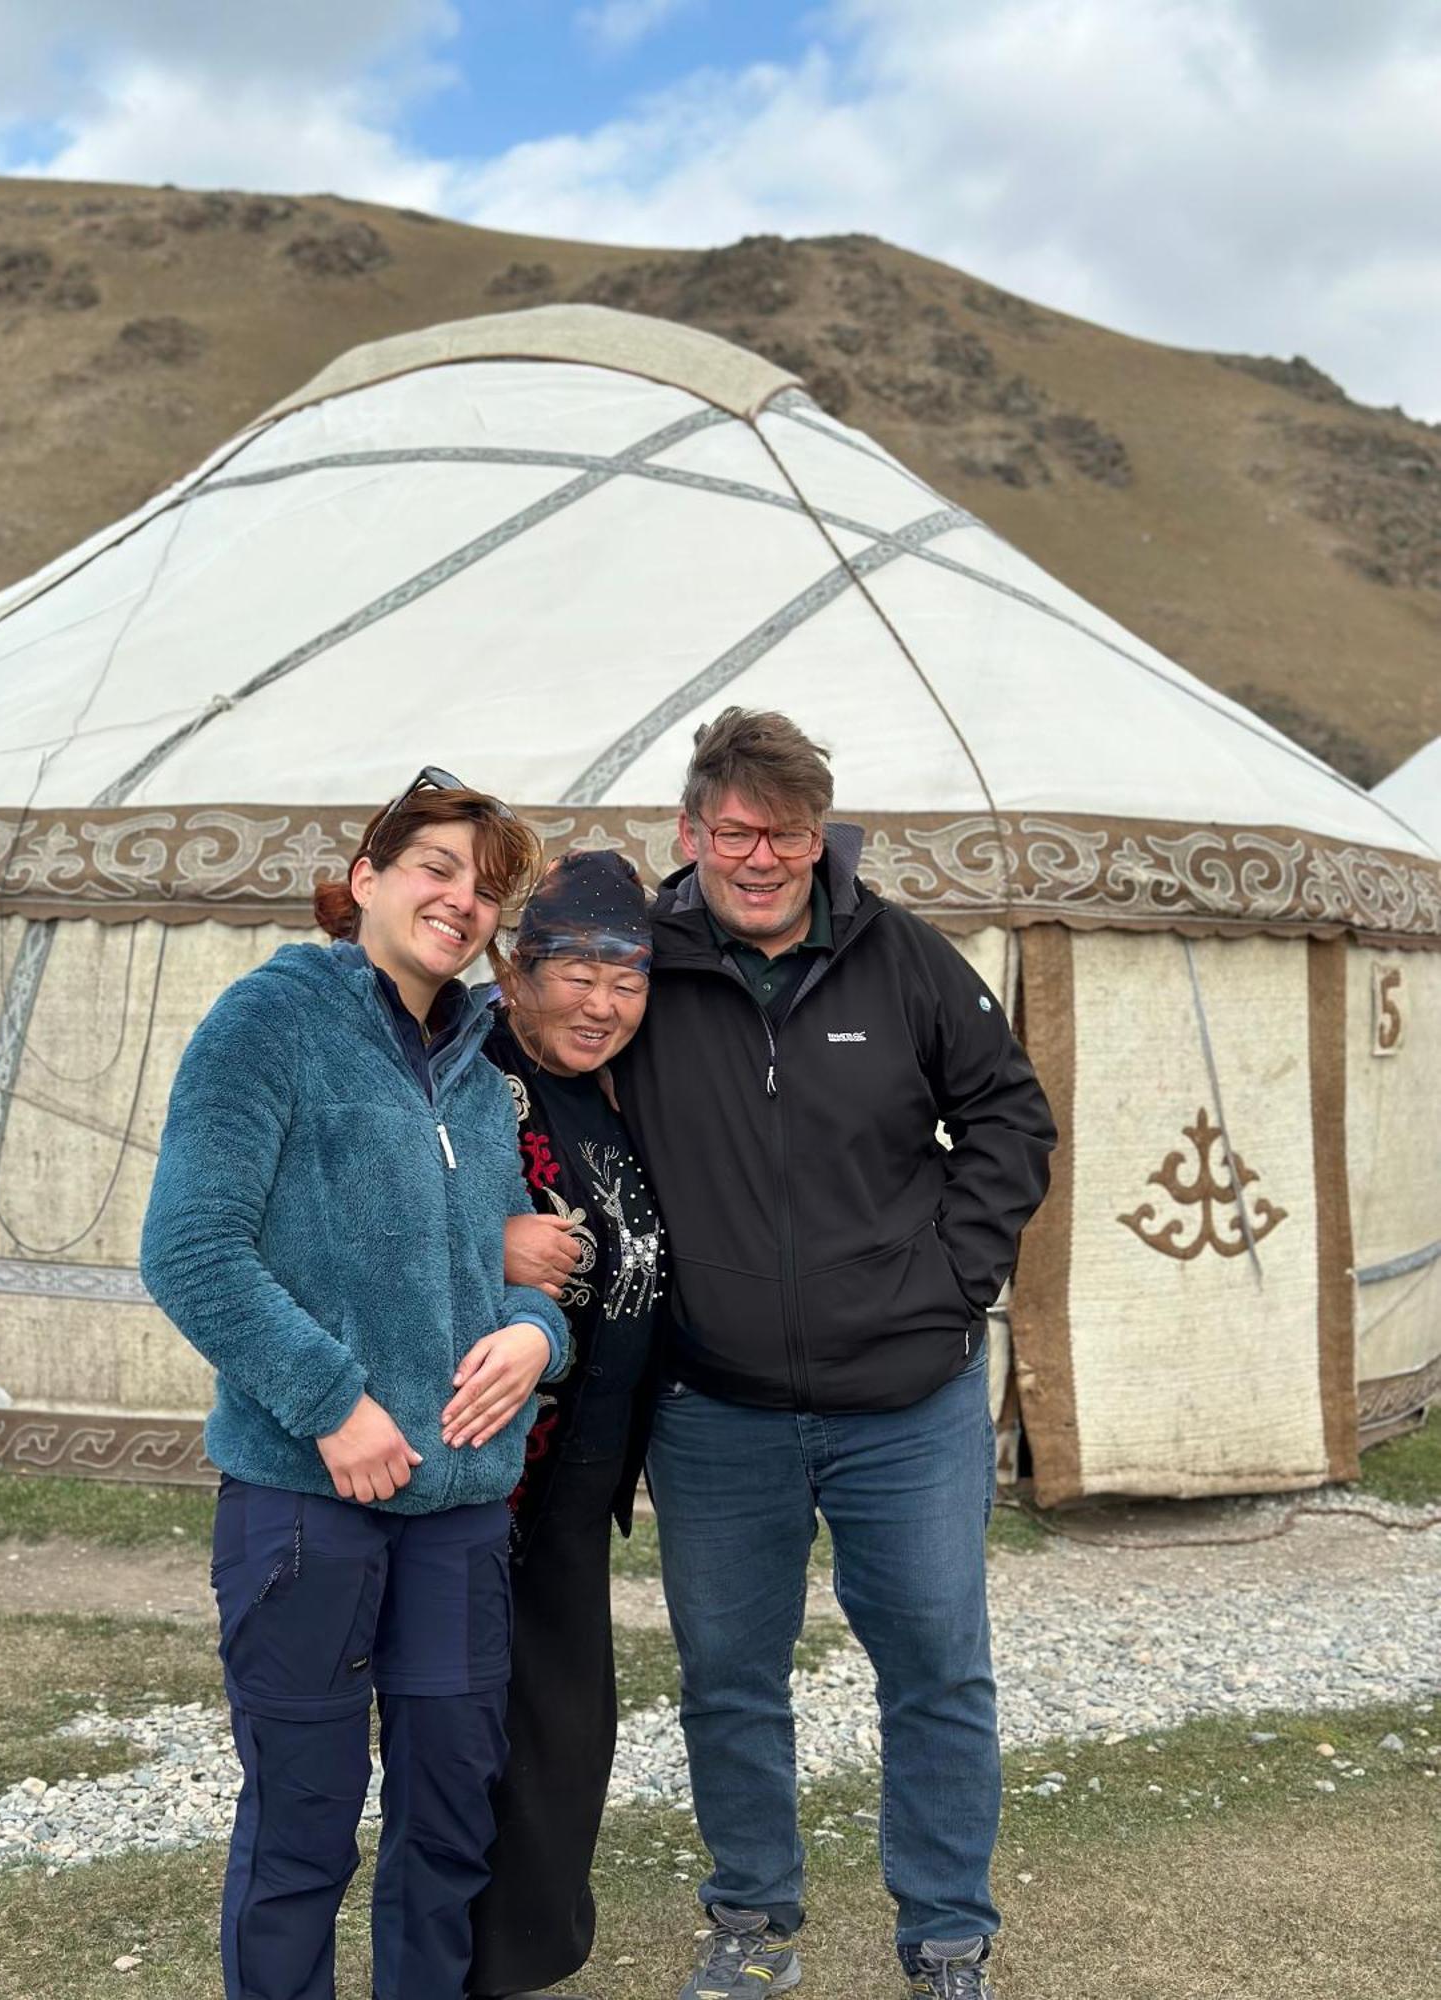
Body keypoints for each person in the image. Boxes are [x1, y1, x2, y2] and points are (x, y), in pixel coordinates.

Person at [614, 709, 1056, 2000]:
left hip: (906, 1402)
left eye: (788, 834)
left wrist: (952, 1280)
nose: (762, 858)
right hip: (717, 1404)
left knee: (935, 1668)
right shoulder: (636, 965)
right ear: (689, 834)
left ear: (823, 838)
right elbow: (537, 1061)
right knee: (729, 1680)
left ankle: (947, 1932)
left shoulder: (902, 957)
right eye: (738, 832)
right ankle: (751, 1920)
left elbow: (1008, 1116)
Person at [140, 769, 569, 2000]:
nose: (462, 900)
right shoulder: (266, 1023)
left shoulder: (484, 1063)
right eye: (436, 867)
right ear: (366, 879)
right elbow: (190, 1246)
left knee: (447, 1817)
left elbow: (501, 1252)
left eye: (486, 889)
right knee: (304, 1827)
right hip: (305, 1501)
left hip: (460, 1508)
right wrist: (331, 1400)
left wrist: (540, 1331)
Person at [468, 848, 664, 2000]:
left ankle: (522, 1962)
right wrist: (485, 1244)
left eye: (627, 977)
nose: (601, 1001)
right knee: (480, 1733)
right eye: (576, 971)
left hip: (577, 1485)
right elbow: (368, 1209)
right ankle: (465, 1962)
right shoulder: (473, 1072)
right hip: (489, 1472)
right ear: (516, 966)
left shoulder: (620, 1089)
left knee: (565, 1731)